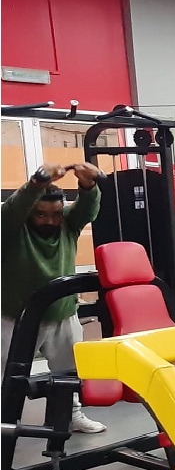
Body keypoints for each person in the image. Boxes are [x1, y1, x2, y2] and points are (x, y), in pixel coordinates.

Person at [1, 162, 106, 433]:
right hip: (15, 318)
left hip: (62, 313)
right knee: (5, 376)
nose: (50, 220)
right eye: (41, 214)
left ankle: (71, 415)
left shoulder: (68, 225)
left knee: (70, 371)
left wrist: (88, 185)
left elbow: (88, 208)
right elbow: (12, 209)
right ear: (29, 211)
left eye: (56, 214)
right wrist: (37, 183)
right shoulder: (10, 228)